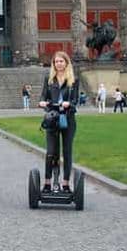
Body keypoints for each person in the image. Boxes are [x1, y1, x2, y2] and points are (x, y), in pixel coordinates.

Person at [38, 51, 80, 193]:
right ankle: (48, 182)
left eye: (61, 61)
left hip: (68, 119)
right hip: (52, 118)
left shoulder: (73, 80)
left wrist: (69, 104)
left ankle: (66, 183)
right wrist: (42, 102)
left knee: (67, 152)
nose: (59, 64)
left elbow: (75, 100)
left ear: (66, 63)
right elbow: (43, 96)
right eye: (56, 62)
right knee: (51, 152)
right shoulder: (49, 79)